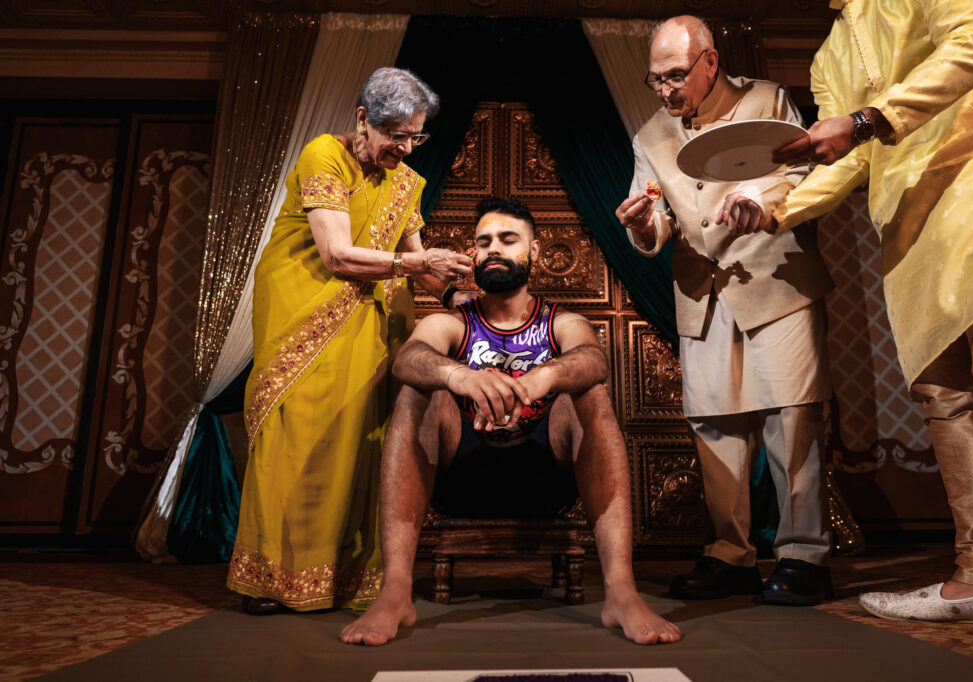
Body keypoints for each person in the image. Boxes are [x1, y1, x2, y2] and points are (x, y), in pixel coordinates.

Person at [770, 0, 973, 630]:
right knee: (946, 389)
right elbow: (852, 155)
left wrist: (865, 118)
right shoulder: (829, 51)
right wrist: (776, 212)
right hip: (909, 218)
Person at [339, 196, 682, 645]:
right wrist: (459, 375)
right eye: (484, 241)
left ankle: (621, 593)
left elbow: (593, 360)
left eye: (507, 239)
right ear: (474, 255)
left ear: (533, 252)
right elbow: (409, 358)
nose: (494, 248)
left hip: (544, 479)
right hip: (459, 478)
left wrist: (542, 378)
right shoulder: (454, 323)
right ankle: (396, 592)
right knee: (415, 390)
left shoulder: (562, 322)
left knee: (588, 390)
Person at [226, 67, 473, 615]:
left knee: (360, 444)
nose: (405, 148)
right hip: (305, 311)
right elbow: (337, 256)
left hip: (372, 324)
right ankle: (273, 579)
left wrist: (460, 294)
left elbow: (421, 265)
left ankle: (349, 577)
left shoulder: (405, 181)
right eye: (396, 135)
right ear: (362, 119)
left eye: (416, 137)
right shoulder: (324, 156)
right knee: (299, 442)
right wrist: (415, 262)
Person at [614, 16, 836, 606]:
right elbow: (657, 218)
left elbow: (803, 169)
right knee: (715, 426)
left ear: (710, 62)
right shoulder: (651, 135)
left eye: (676, 76)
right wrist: (642, 225)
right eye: (655, 79)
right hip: (702, 293)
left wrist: (756, 199)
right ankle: (732, 553)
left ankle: (803, 555)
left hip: (777, 282)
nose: (665, 90)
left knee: (791, 420)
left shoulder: (769, 100)